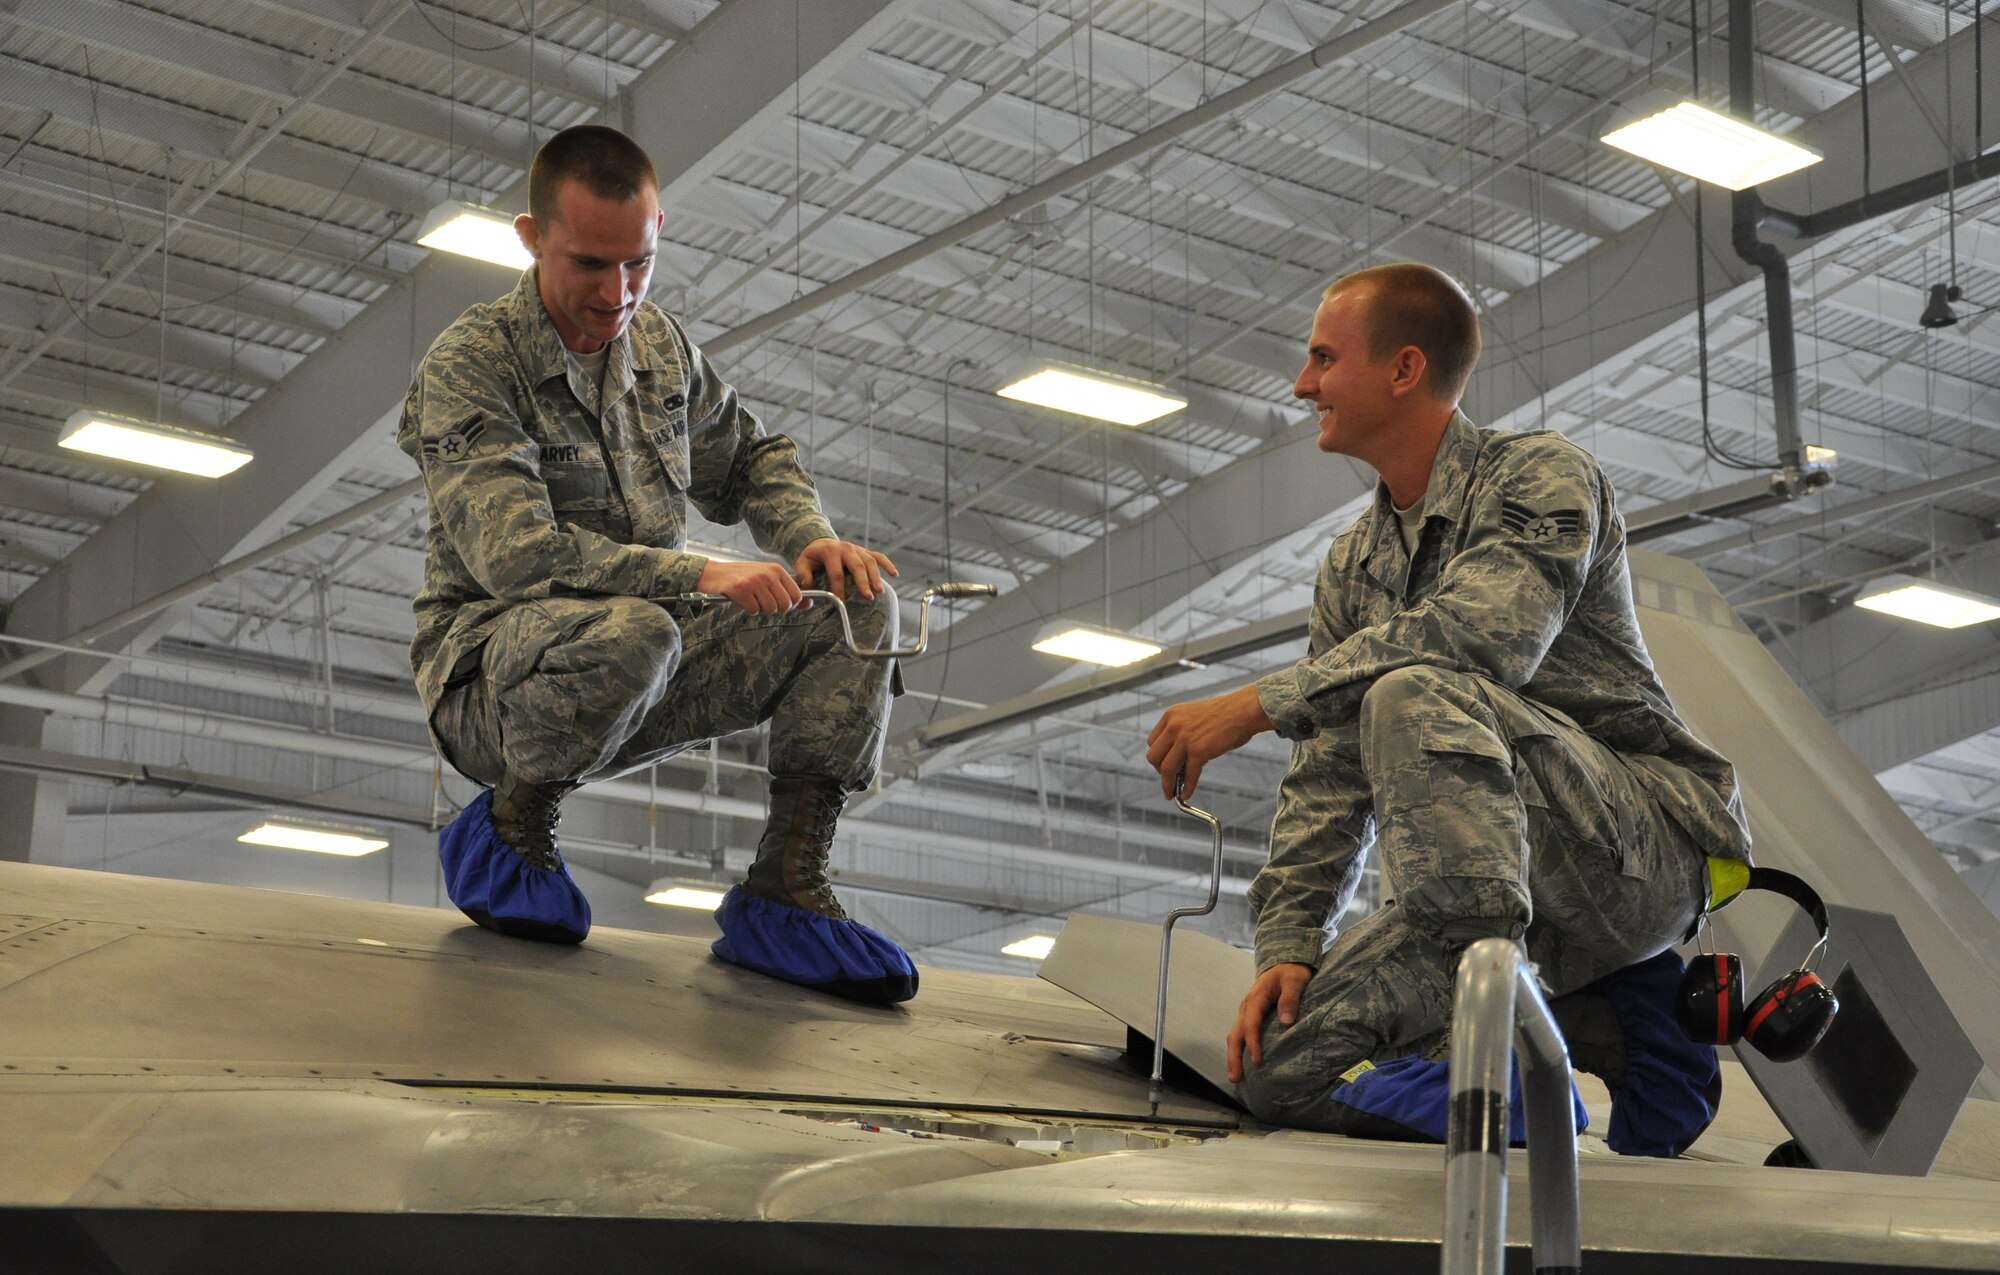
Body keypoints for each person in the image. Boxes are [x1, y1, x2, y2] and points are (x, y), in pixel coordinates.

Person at [1143, 262, 1750, 1149]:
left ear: (1404, 369)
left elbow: (1480, 640)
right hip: (1481, 889)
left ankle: (1493, 1041)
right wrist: (1289, 944)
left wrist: (1255, 703)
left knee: (1413, 691)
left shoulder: (1542, 477)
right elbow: (1328, 779)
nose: (1303, 384)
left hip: (1634, 852)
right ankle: (1604, 1033)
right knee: (1275, 1063)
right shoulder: (1354, 565)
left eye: (1322, 358)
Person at [397, 124, 918, 1003]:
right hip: (498, 685)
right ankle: (514, 822)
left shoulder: (661, 351)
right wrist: (700, 573)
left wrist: (806, 537)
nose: (618, 292)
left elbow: (755, 457)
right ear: (529, 239)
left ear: (660, 231)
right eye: (591, 264)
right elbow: (517, 557)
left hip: (649, 659)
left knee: (853, 609)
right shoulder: (473, 363)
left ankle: (787, 881)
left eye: (637, 263)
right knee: (637, 631)